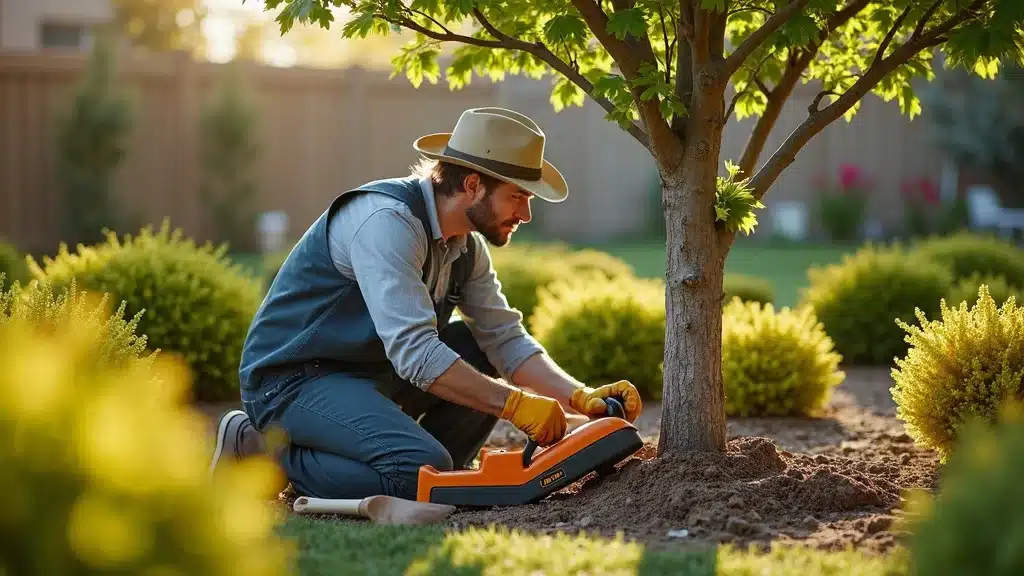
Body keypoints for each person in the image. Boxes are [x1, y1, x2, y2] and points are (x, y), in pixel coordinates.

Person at [208, 106, 642, 501]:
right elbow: (415, 353)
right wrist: (514, 404)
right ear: (473, 185)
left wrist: (579, 396)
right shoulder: (386, 223)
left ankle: (425, 468)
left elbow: (504, 338)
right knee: (415, 474)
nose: (526, 214)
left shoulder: (465, 247)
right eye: (519, 196)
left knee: (469, 369)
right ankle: (260, 450)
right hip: (293, 381)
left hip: (368, 378)